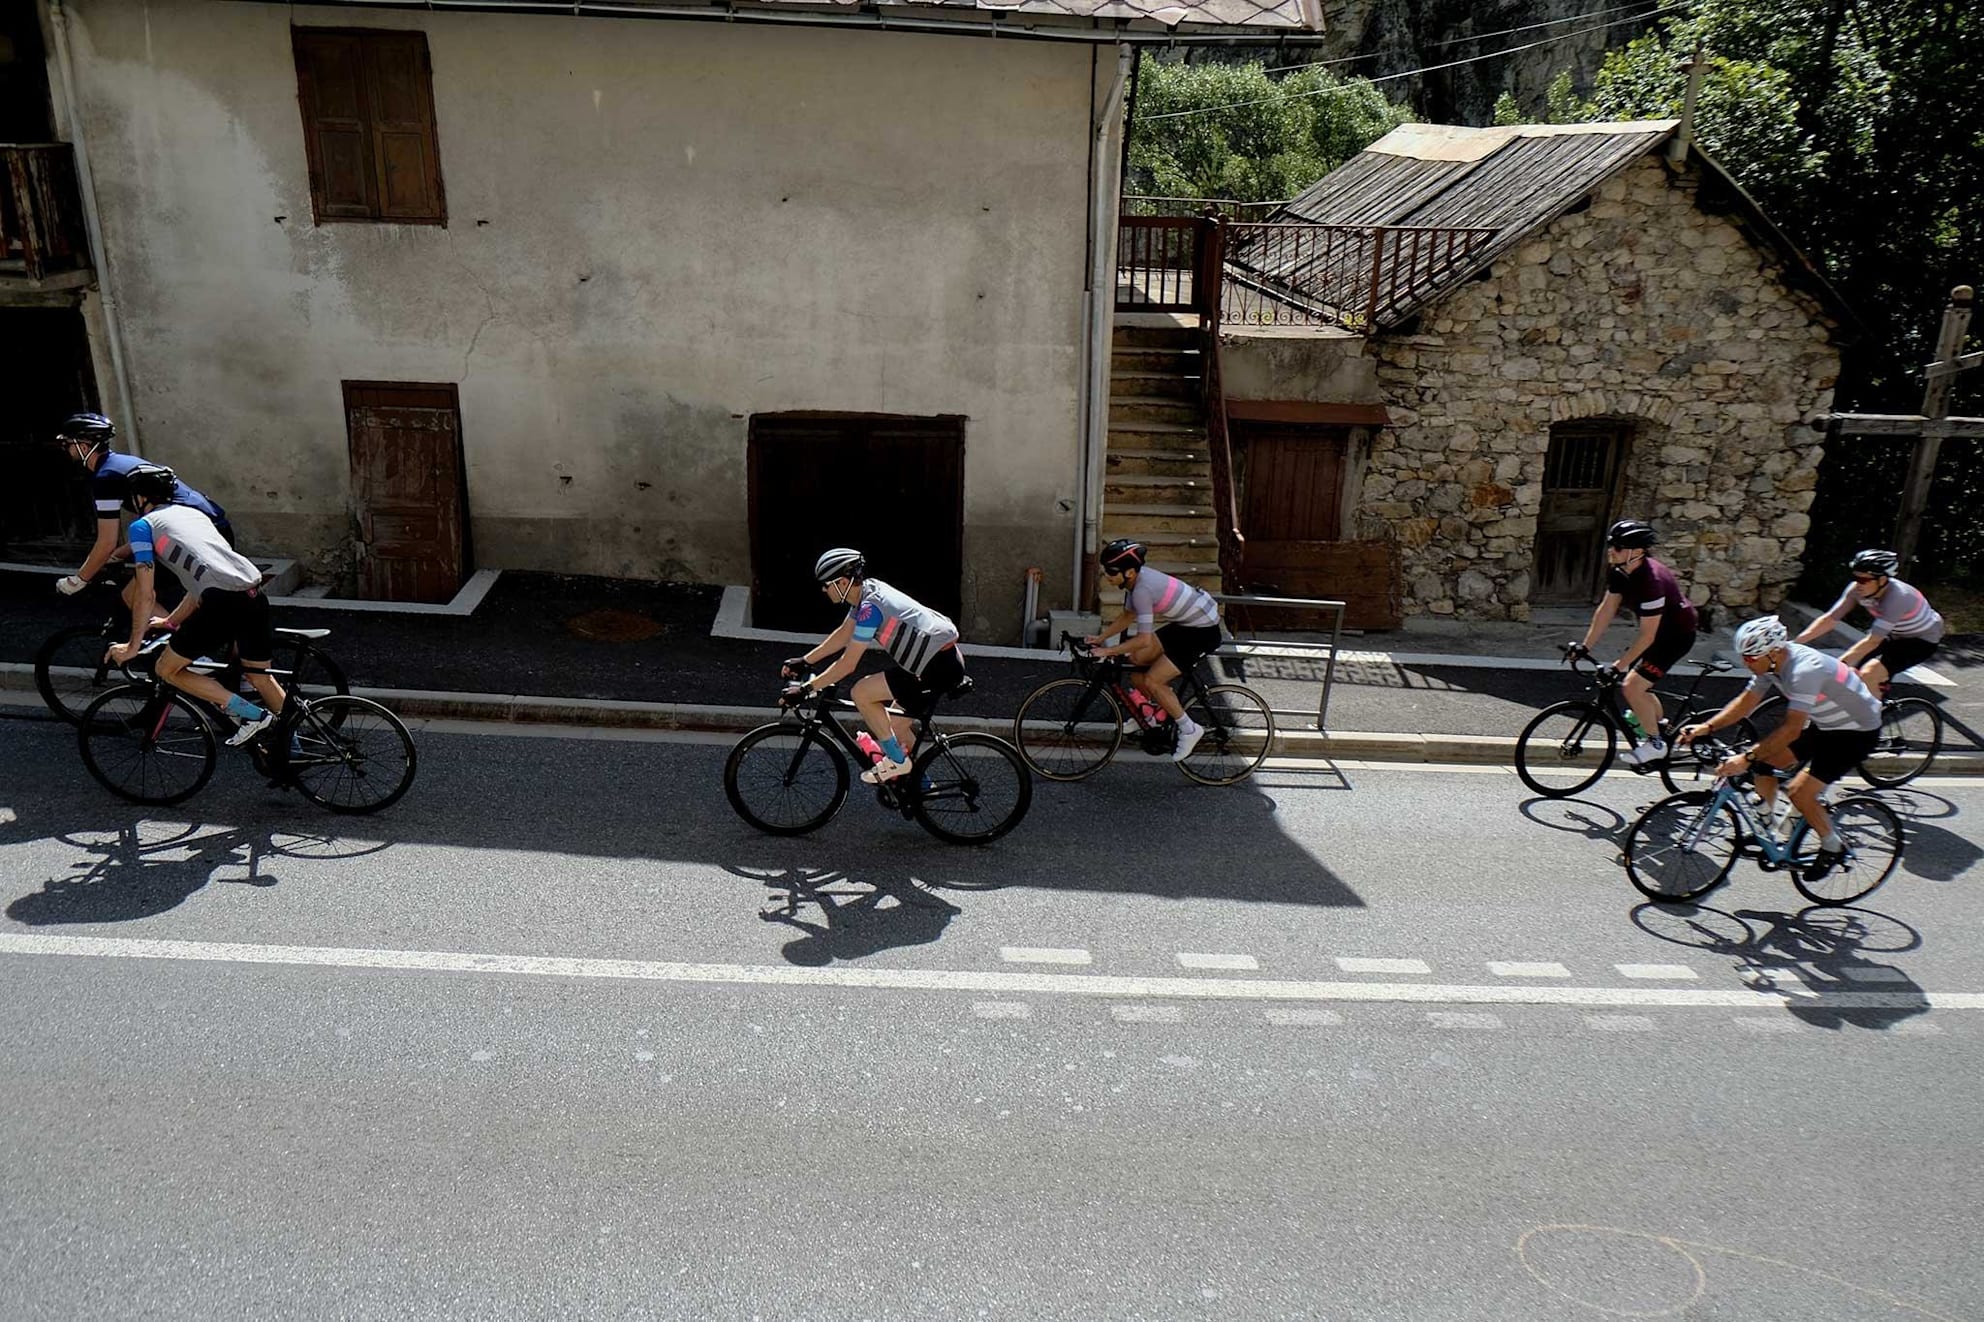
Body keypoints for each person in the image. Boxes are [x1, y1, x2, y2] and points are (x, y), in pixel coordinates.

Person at [1676, 615, 1882, 885]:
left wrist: (1746, 757)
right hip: (1826, 725)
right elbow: (1745, 703)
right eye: (1744, 657)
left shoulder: (1804, 671)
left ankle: (1832, 846)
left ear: (1773, 652)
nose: (1746, 663)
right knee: (1764, 764)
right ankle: (1766, 824)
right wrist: (1706, 727)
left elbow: (1791, 729)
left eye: (1750, 658)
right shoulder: (1768, 666)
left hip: (1856, 733)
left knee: (1798, 791)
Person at [102, 465, 284, 747]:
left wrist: (132, 646)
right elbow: (200, 584)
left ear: (139, 498)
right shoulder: (193, 515)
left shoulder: (142, 527)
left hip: (222, 602)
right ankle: (293, 744)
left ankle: (252, 716)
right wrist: (170, 622)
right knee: (259, 676)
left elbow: (145, 593)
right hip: (252, 593)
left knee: (166, 669)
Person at [780, 548, 965, 785]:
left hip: (935, 669)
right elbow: (843, 634)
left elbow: (848, 664)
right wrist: (805, 661)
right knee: (895, 725)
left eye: (827, 584)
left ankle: (897, 763)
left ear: (844, 582)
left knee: (862, 692)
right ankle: (922, 787)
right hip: (936, 663)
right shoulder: (868, 592)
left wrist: (805, 689)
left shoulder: (870, 610)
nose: (823, 589)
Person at [51, 412, 234, 605]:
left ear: (84, 446)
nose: (65, 450)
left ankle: (178, 635)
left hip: (192, 536)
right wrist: (120, 553)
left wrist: (78, 580)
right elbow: (154, 522)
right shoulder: (122, 464)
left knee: (133, 597)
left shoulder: (105, 478)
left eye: (67, 444)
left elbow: (106, 542)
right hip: (212, 526)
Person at [1568, 519, 1699, 769]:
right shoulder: (1621, 571)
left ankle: (1655, 744)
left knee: (1632, 686)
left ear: (1636, 552)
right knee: (1639, 686)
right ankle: (1659, 727)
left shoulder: (1650, 583)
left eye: (1617, 547)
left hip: (1676, 636)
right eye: (1611, 545)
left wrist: (1619, 665)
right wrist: (1585, 646)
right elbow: (1606, 609)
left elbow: (1648, 637)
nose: (1610, 551)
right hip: (1660, 633)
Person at [1085, 538, 1224, 763]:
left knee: (1153, 680)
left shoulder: (1142, 591)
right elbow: (1127, 616)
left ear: (1129, 572)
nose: (1107, 575)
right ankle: (1150, 716)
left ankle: (1189, 729)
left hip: (1202, 632)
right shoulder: (1133, 584)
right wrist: (1101, 638)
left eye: (1111, 571)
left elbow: (1143, 638)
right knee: (1137, 661)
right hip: (1187, 624)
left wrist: (1108, 651)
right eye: (1105, 569)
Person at [1794, 548, 1944, 693]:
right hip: (1893, 634)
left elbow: (1873, 640)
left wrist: (1840, 664)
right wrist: (1796, 643)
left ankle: (1873, 716)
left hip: (1921, 640)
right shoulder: (1856, 590)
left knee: (1869, 673)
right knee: (1852, 672)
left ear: (1882, 580)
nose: (1857, 584)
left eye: (1863, 579)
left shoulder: (1898, 597)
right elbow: (1830, 619)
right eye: (1855, 577)